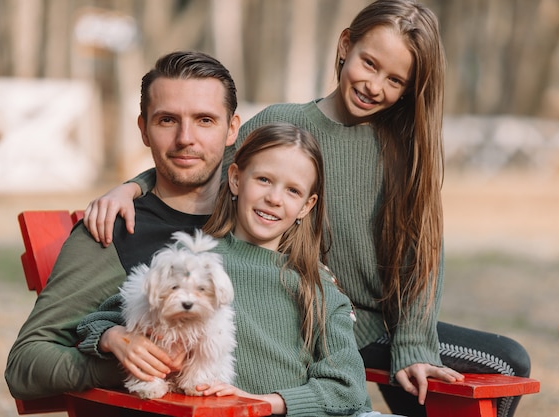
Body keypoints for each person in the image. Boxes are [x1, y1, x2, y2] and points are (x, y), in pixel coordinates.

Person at [82, 1, 532, 416]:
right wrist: (134, 187)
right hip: (310, 314)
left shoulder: (404, 150)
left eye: (395, 81)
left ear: (411, 89)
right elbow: (207, 166)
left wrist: (414, 344)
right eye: (369, 64)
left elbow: (424, 254)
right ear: (344, 46)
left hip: (372, 325)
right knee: (501, 365)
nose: (374, 86)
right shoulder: (284, 124)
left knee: (506, 363)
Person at [78, 123, 402, 417]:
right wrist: (112, 337)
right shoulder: (193, 261)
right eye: (264, 180)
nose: (274, 198)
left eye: (292, 190)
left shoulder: (318, 286)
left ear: (306, 206)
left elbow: (348, 388)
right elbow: (101, 318)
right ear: (235, 179)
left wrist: (267, 402)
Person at [4, 50, 241, 400]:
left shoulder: (262, 212)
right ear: (143, 129)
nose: (185, 138)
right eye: (167, 121)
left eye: (205, 120)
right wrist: (127, 359)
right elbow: (24, 365)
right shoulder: (111, 231)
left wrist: (135, 183)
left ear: (232, 129)